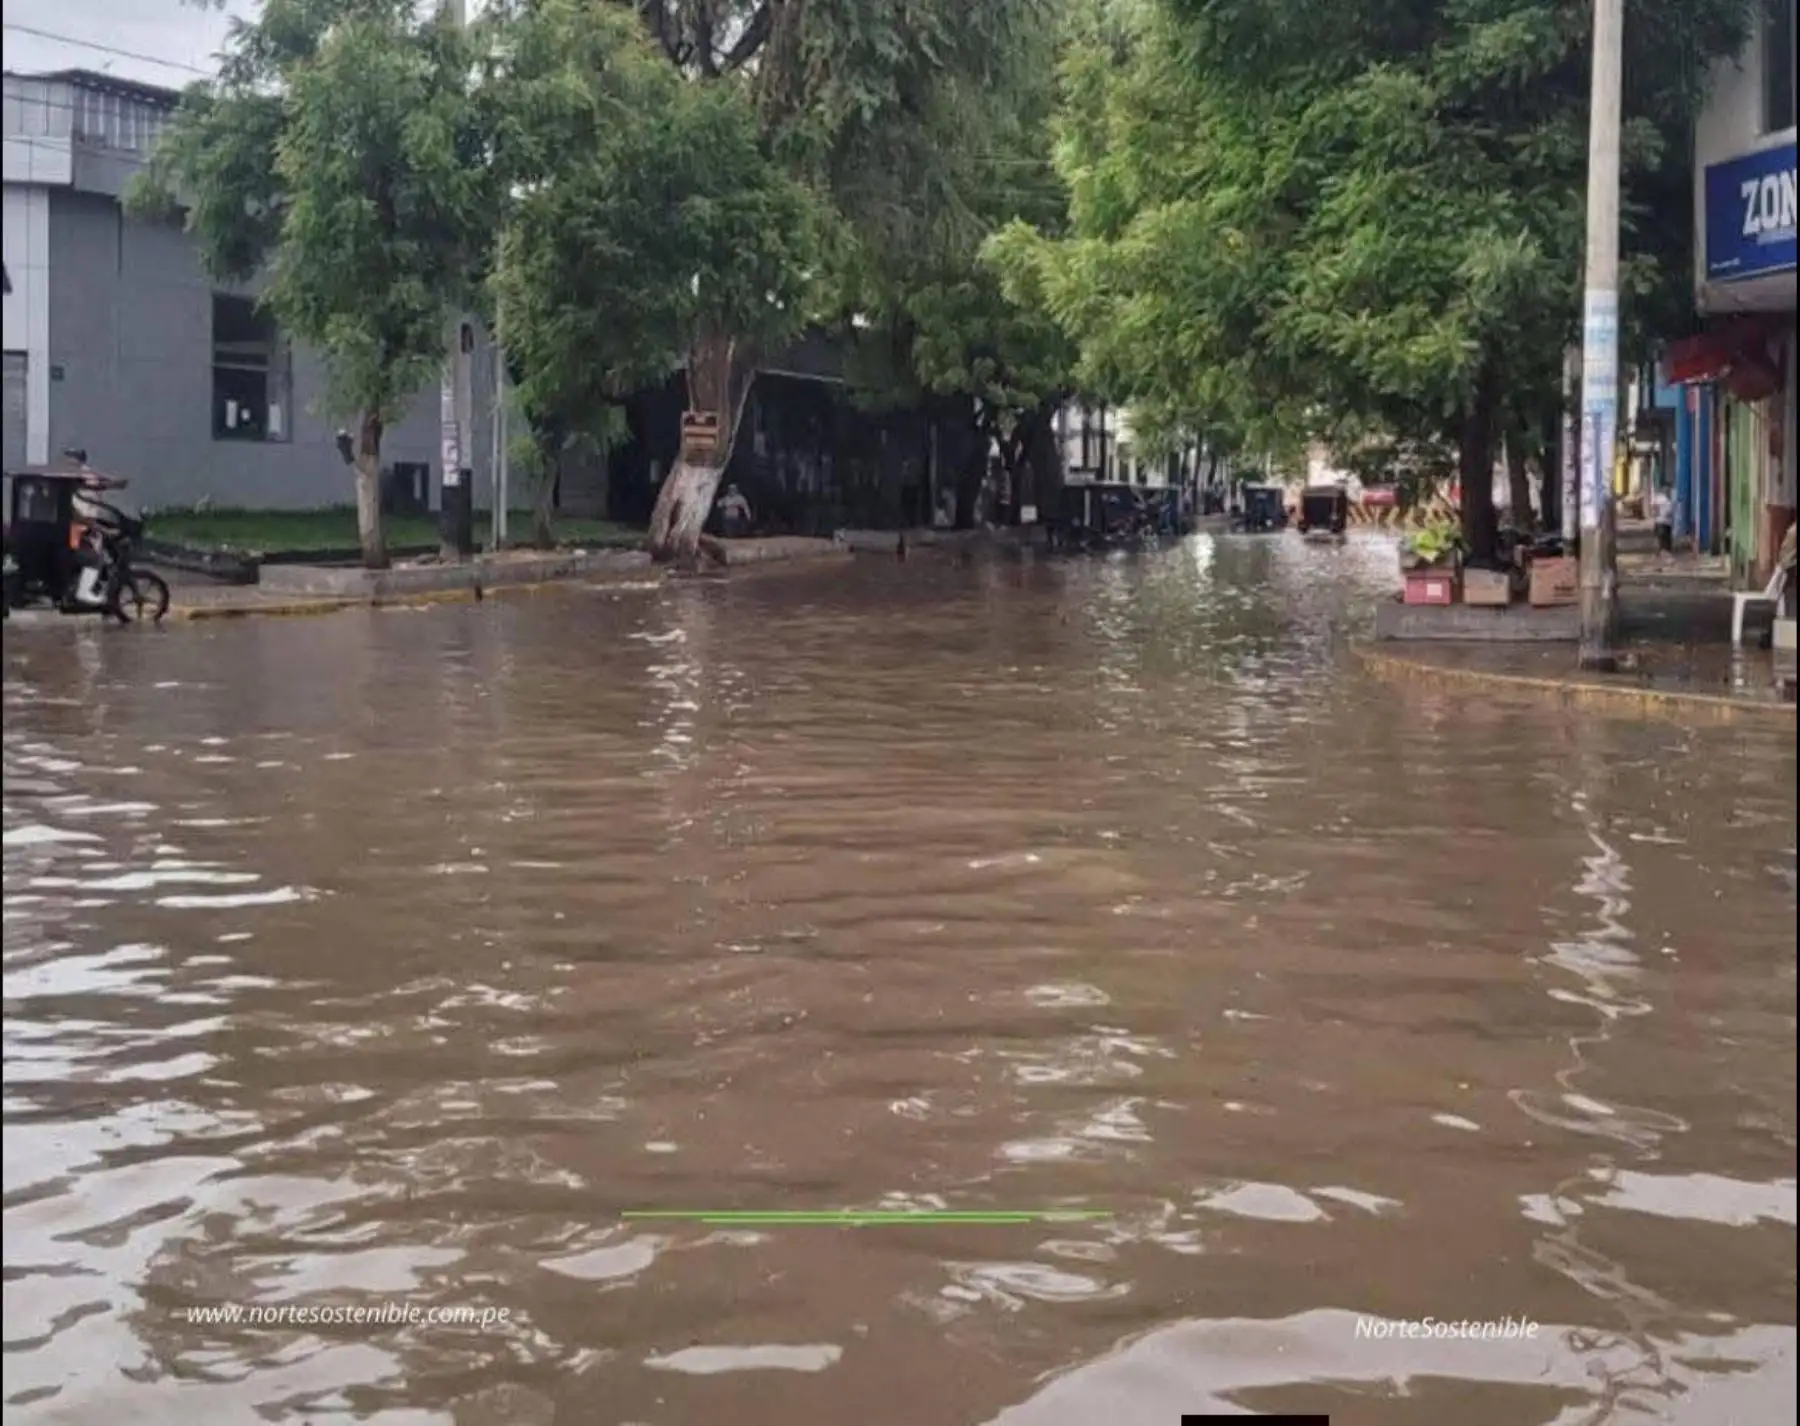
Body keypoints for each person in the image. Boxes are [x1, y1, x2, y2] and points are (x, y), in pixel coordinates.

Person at [1651, 486, 1674, 555]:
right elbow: (1670, 512)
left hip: (1658, 521)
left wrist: (1655, 515)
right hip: (1666, 522)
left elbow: (1654, 508)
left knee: (1658, 537)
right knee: (1666, 538)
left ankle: (1658, 551)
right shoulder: (1668, 501)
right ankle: (1666, 550)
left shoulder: (1657, 499)